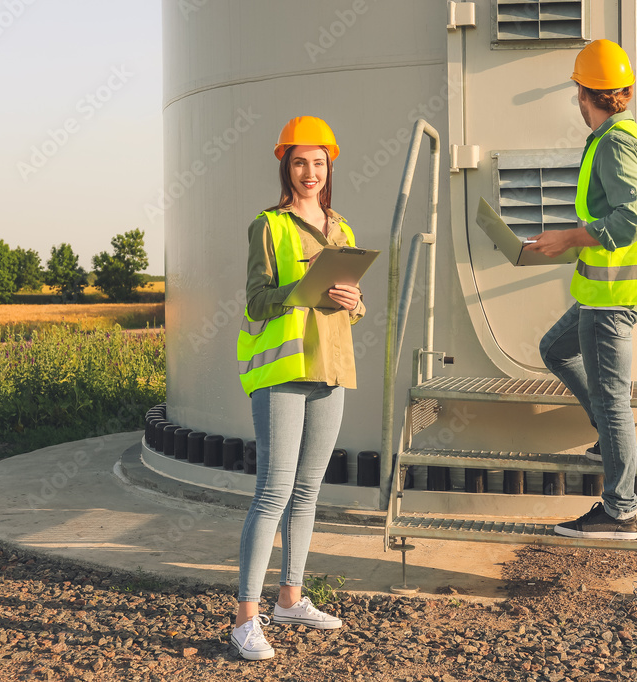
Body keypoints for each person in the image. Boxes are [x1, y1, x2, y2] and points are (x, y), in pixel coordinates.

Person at [232, 116, 365, 660]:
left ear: (329, 166)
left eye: (319, 162)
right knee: (273, 492)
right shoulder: (268, 225)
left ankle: (290, 597)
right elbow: (257, 302)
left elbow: (348, 307)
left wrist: (356, 305)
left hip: (332, 371)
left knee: (309, 490)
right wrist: (304, 290)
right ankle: (245, 617)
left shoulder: (344, 229)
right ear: (285, 165)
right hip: (284, 373)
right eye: (299, 162)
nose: (310, 172)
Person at [526, 39, 637, 540]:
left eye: (578, 91)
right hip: (602, 292)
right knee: (554, 350)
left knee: (612, 400)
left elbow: (629, 220)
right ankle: (611, 443)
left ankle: (620, 510)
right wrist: (571, 243)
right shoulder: (625, 135)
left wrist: (570, 237)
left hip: (611, 298)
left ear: (586, 93)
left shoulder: (615, 142)